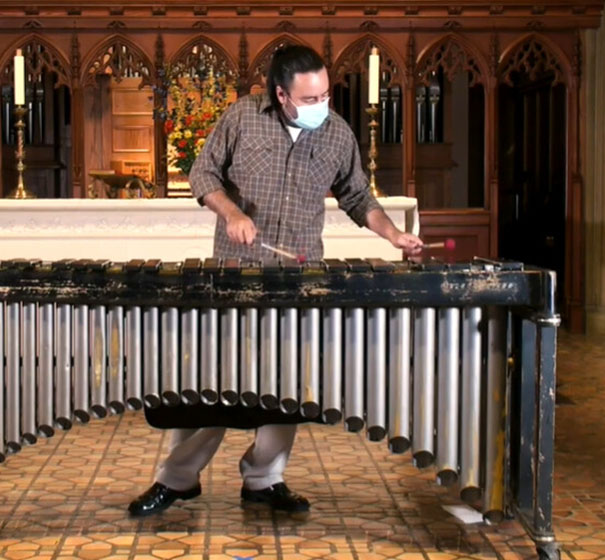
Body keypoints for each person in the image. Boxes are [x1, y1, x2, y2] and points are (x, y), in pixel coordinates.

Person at [128, 45, 423, 517]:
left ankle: (264, 479)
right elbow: (202, 173)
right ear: (281, 94)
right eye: (309, 98)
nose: (320, 105)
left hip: (297, 279)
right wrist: (231, 213)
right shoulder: (243, 117)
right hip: (235, 273)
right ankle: (178, 479)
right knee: (216, 384)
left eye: (325, 94)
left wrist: (394, 235)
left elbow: (357, 195)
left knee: (287, 387)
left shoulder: (337, 134)